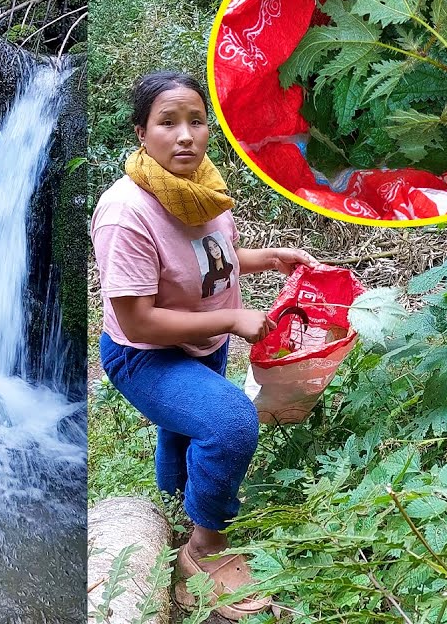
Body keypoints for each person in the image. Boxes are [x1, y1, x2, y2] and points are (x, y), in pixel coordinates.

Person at [91, 70, 318, 620]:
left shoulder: (204, 190)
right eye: (168, 123)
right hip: (145, 355)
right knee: (228, 421)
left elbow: (210, 257)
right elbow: (139, 322)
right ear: (141, 134)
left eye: (196, 120)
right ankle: (204, 548)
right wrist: (237, 318)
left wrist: (264, 257)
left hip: (205, 339)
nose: (186, 135)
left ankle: (171, 512)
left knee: (184, 429)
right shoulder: (127, 213)